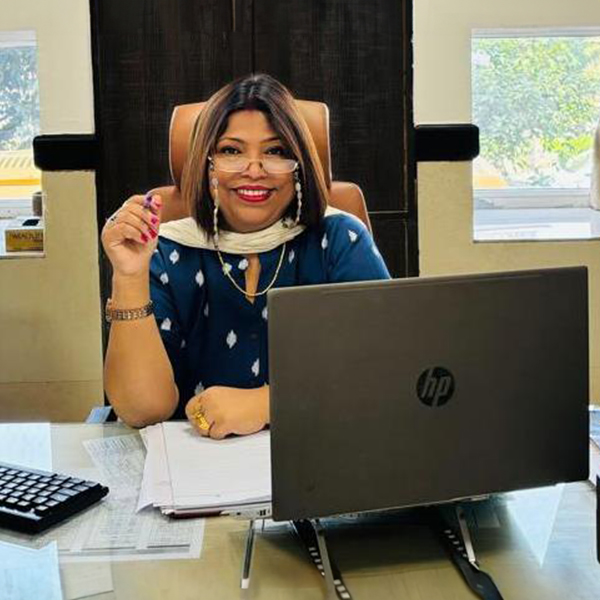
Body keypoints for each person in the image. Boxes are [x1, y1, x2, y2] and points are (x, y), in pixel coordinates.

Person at [101, 73, 390, 439]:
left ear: (299, 165)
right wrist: (128, 275)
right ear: (206, 165)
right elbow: (143, 410)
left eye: (275, 151)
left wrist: (268, 404)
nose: (254, 170)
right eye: (231, 151)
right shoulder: (165, 248)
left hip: (320, 457)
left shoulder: (340, 239)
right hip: (193, 469)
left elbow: (384, 375)